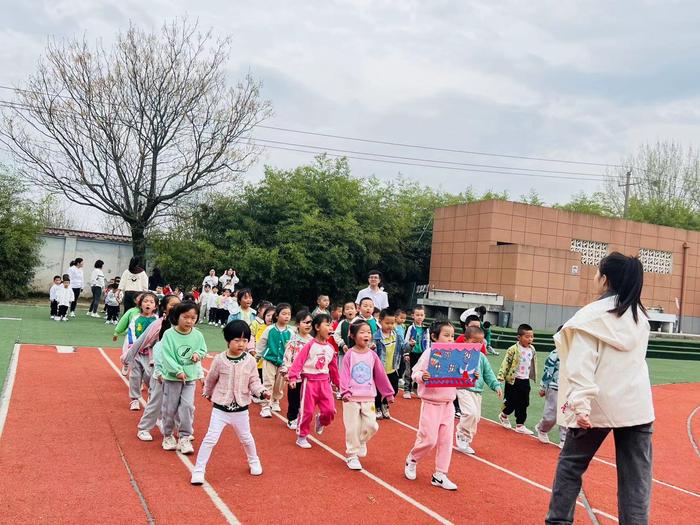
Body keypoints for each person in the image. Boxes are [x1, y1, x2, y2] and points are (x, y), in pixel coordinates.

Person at [546, 253, 654, 525]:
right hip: (637, 407)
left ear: (605, 279)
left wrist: (579, 406)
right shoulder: (640, 317)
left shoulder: (590, 317)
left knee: (571, 466)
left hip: (596, 406)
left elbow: (582, 366)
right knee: (636, 478)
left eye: (597, 273)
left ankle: (558, 521)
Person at [191, 320, 270, 484]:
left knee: (246, 438)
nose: (241, 344)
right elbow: (212, 378)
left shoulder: (249, 361)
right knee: (210, 438)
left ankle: (254, 460)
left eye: (245, 340)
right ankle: (199, 470)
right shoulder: (220, 359)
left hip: (241, 409)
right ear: (228, 340)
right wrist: (207, 392)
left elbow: (254, 381)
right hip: (220, 409)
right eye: (237, 340)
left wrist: (261, 392)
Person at [404, 321, 458, 491]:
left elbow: (460, 375)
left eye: (452, 336)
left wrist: (471, 375)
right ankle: (412, 459)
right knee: (429, 439)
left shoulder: (455, 354)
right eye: (446, 335)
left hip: (448, 404)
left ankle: (440, 474)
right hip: (431, 404)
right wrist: (423, 377)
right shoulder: (429, 353)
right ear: (435, 337)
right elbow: (415, 373)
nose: (450, 339)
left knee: (446, 441)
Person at [340, 320, 395, 470]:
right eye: (362, 332)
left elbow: (380, 375)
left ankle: (361, 441)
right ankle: (352, 455)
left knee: (372, 425)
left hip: (368, 396)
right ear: (352, 335)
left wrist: (388, 393)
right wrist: (344, 391)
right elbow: (344, 375)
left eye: (369, 332)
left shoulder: (372, 355)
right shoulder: (349, 355)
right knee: (352, 427)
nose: (367, 335)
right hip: (351, 397)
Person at [129, 294, 181, 441]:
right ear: (164, 308)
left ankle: (181, 430)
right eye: (172, 304)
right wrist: (127, 357)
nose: (176, 307)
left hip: (177, 369)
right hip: (159, 368)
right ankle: (144, 428)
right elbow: (142, 340)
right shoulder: (158, 324)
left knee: (179, 401)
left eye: (178, 304)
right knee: (156, 399)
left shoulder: (183, 324)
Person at [160, 302, 207, 455]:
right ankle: (167, 435)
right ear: (177, 316)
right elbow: (167, 355)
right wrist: (177, 370)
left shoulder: (198, 335)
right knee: (170, 408)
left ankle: (184, 437)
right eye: (185, 317)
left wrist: (197, 355)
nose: (189, 321)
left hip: (190, 379)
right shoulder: (169, 334)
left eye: (193, 318)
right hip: (173, 379)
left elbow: (202, 349)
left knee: (187, 407)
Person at [287, 313, 340, 449]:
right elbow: (298, 362)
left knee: (330, 411)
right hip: (309, 383)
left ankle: (321, 420)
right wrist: (293, 377)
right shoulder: (310, 346)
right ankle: (302, 436)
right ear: (317, 327)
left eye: (331, 325)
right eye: (327, 325)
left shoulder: (330, 348)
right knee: (307, 411)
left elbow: (333, 369)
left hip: (325, 384)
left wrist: (340, 385)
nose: (330, 328)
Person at [455, 326, 502, 455]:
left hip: (477, 391)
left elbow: (488, 373)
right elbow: (455, 370)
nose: (478, 345)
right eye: (475, 342)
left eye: (480, 342)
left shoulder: (482, 357)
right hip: (464, 389)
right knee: (470, 413)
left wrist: (496, 385)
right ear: (465, 340)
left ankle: (467, 439)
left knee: (476, 417)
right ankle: (461, 435)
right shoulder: (460, 354)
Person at [497, 324, 537, 435]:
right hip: (513, 380)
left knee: (524, 402)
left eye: (532, 337)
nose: (530, 339)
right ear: (519, 337)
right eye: (527, 337)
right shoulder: (513, 349)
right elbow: (506, 363)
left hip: (525, 380)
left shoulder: (532, 349)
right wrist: (501, 376)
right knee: (511, 401)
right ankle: (504, 415)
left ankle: (520, 424)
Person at [123, 292, 159, 410]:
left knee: (150, 376)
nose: (148, 304)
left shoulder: (157, 320)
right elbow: (131, 333)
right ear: (140, 304)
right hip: (138, 353)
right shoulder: (136, 318)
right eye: (145, 301)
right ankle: (134, 399)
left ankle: (150, 395)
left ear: (155, 306)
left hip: (151, 354)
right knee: (135, 376)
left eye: (151, 302)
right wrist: (132, 347)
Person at [256, 303, 293, 418]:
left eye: (289, 314)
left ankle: (276, 400)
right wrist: (257, 355)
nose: (287, 316)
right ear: (277, 316)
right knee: (268, 382)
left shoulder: (291, 332)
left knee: (279, 384)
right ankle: (265, 406)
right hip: (269, 360)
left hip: (283, 363)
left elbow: (292, 348)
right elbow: (262, 342)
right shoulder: (270, 329)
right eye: (284, 314)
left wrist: (290, 363)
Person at [280, 310, 313, 430]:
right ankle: (292, 417)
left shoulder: (312, 341)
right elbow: (287, 357)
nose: (308, 325)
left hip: (307, 375)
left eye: (310, 322)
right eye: (305, 322)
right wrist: (286, 372)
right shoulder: (293, 340)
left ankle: (301, 415)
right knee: (293, 397)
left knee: (305, 398)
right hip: (294, 375)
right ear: (298, 324)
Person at [534, 329, 567, 447]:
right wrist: (543, 387)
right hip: (554, 387)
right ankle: (543, 428)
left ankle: (564, 438)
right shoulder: (555, 354)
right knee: (551, 413)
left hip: (568, 388)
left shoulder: (575, 354)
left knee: (566, 413)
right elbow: (548, 371)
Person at [402, 306, 430, 399]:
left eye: (421, 315)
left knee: (420, 371)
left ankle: (416, 389)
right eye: (417, 315)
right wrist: (406, 352)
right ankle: (407, 390)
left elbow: (428, 342)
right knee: (409, 372)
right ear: (413, 316)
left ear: (424, 316)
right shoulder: (410, 328)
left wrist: (427, 354)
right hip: (411, 353)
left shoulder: (426, 329)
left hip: (421, 354)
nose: (419, 317)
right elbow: (406, 341)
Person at [333, 301, 358, 370]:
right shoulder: (342, 323)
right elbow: (336, 335)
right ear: (343, 312)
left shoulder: (360, 322)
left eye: (352, 308)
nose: (350, 310)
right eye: (347, 309)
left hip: (357, 353)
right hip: (344, 352)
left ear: (356, 310)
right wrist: (342, 344)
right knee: (343, 371)